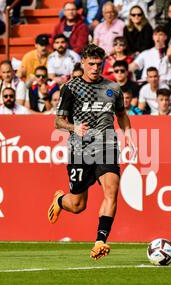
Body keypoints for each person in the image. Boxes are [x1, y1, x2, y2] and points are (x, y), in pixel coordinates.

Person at [48, 43, 136, 260]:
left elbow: (122, 115)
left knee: (111, 191)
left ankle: (100, 241)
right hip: (80, 149)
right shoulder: (71, 88)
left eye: (99, 63)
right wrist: (73, 127)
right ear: (83, 63)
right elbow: (58, 121)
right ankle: (60, 201)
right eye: (91, 64)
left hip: (107, 146)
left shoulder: (113, 88)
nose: (96, 68)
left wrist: (130, 137)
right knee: (78, 205)